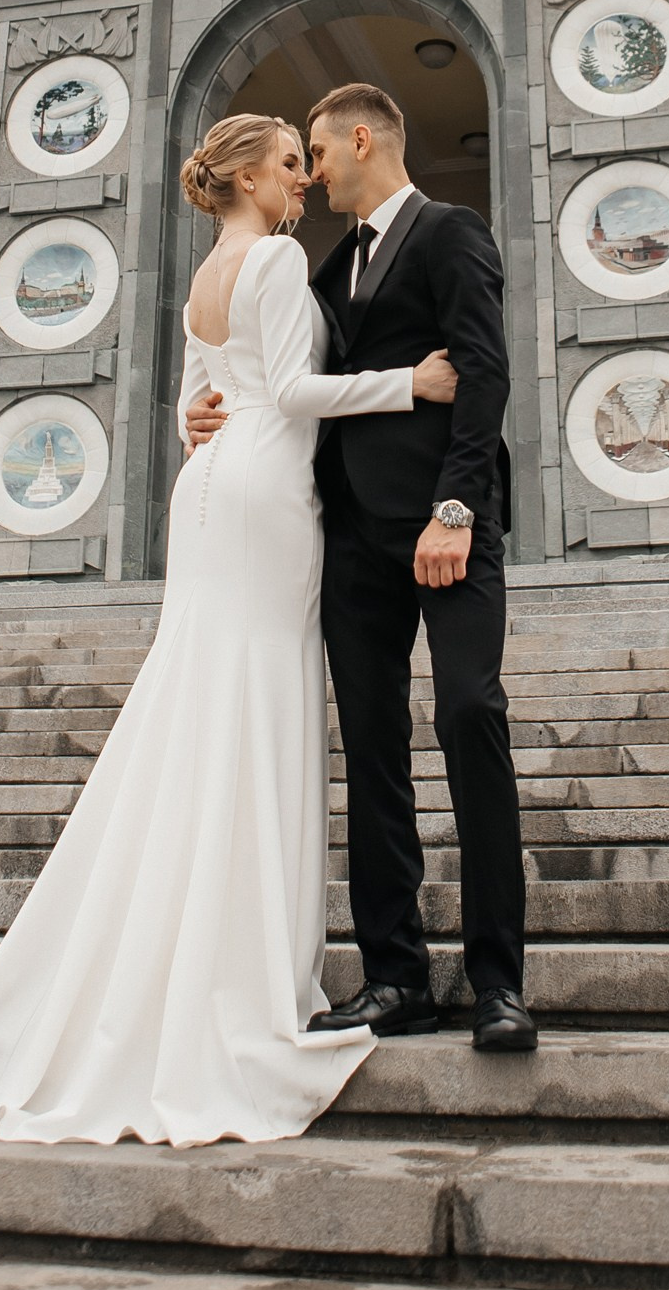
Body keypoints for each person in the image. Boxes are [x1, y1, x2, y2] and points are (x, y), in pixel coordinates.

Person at [0, 113, 460, 1147]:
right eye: (289, 164)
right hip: (263, 495)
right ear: (247, 174)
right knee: (254, 713)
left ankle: (178, 959)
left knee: (199, 707)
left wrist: (210, 416)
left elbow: (203, 399)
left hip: (206, 487)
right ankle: (235, 982)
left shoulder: (207, 271)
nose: (303, 179)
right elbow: (287, 392)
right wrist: (408, 383)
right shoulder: (278, 258)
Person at [187, 80, 533, 1054]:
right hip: (348, 541)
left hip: (446, 526)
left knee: (469, 714)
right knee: (374, 753)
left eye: (317, 149)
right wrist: (207, 407)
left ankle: (497, 980)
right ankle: (394, 977)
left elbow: (483, 371)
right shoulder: (320, 268)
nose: (312, 168)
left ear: (361, 135)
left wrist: (456, 508)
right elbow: (287, 380)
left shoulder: (450, 230)